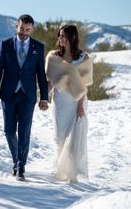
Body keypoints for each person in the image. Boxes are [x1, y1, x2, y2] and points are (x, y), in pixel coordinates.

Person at [0, 14, 49, 181]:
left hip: (28, 96)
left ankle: (20, 166)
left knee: (24, 131)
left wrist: (44, 97)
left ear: (31, 29)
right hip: (8, 94)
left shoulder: (38, 47)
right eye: (22, 29)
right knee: (9, 131)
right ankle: (16, 159)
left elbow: (41, 75)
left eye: (28, 30)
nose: (24, 32)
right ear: (16, 27)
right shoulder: (6, 44)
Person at [45, 25, 93, 183]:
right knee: (59, 136)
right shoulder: (53, 57)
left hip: (76, 101)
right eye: (60, 36)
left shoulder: (84, 57)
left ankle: (71, 174)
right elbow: (49, 83)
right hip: (59, 102)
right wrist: (43, 98)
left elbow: (84, 84)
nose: (61, 39)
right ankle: (60, 168)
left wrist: (80, 105)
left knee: (75, 137)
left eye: (64, 36)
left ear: (73, 37)